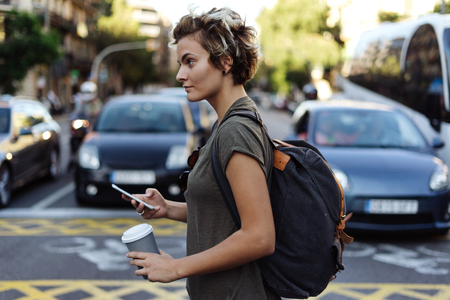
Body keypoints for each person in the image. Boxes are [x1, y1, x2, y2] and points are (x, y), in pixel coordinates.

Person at [122, 6, 279, 300]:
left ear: (225, 62)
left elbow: (260, 237)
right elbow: (224, 214)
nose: (181, 75)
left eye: (190, 62)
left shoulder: (237, 131)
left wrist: (176, 267)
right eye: (180, 63)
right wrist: (168, 208)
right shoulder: (227, 124)